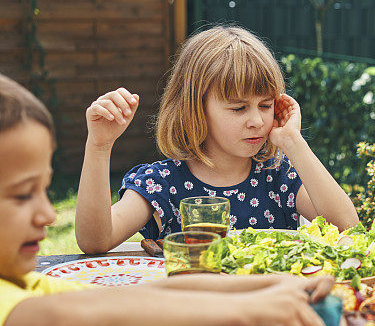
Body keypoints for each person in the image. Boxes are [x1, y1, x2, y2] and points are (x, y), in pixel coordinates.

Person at [0, 73, 333, 326]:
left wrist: (265, 288)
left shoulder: (25, 288)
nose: (49, 215)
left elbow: (144, 294)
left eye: (45, 191)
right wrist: (245, 309)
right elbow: (71, 321)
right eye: (21, 195)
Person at [75, 25, 359, 254]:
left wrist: (293, 142)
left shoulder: (277, 175)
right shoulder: (162, 182)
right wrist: (99, 146)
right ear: (196, 109)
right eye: (238, 108)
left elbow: (348, 227)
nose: (257, 121)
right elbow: (95, 241)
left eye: (265, 105)